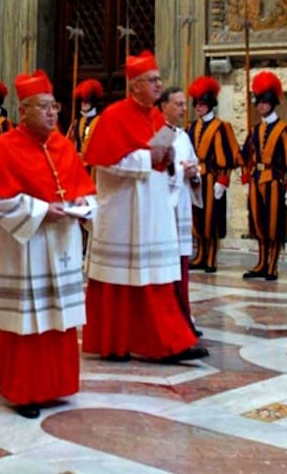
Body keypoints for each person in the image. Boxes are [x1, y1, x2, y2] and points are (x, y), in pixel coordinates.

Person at [0, 70, 95, 418]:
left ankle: (56, 384)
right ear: (22, 110)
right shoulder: (1, 149)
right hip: (25, 250)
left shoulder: (63, 145)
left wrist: (83, 208)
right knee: (28, 320)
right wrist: (41, 210)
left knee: (58, 317)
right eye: (43, 107)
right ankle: (24, 390)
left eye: (54, 106)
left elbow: (84, 189)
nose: (52, 113)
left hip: (61, 243)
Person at [84, 53, 205, 363]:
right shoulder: (113, 116)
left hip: (153, 212)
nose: (159, 85)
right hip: (124, 212)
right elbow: (105, 161)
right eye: (153, 80)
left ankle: (166, 341)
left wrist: (170, 163)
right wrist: (148, 158)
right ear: (134, 85)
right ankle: (116, 342)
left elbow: (161, 161)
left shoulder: (154, 118)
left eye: (159, 79)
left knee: (155, 279)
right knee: (120, 281)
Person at [241, 71, 287, 280]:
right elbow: (247, 156)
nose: (260, 106)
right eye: (258, 102)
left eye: (264, 102)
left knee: (274, 224)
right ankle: (261, 261)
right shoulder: (255, 130)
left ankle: (273, 264)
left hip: (276, 182)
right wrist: (246, 177)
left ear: (272, 103)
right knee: (258, 223)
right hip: (257, 180)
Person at [158, 85, 202, 332]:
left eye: (185, 104)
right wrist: (179, 174)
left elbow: (194, 165)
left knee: (182, 262)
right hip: (167, 208)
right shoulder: (161, 135)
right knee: (169, 265)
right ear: (164, 106)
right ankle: (173, 318)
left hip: (182, 205)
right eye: (179, 104)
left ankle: (185, 313)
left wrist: (194, 175)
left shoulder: (183, 136)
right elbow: (155, 173)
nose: (184, 109)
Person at [186, 77, 241, 273]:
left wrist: (223, 180)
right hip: (195, 177)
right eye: (197, 104)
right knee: (197, 218)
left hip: (213, 177)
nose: (199, 107)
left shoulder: (221, 127)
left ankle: (211, 257)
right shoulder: (192, 127)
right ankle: (200, 253)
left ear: (210, 105)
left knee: (212, 218)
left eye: (202, 104)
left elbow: (229, 154)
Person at [66, 78, 103, 166]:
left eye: (86, 101)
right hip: (77, 165)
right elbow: (68, 142)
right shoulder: (76, 122)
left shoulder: (100, 121)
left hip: (94, 166)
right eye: (82, 101)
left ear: (93, 102)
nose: (83, 104)